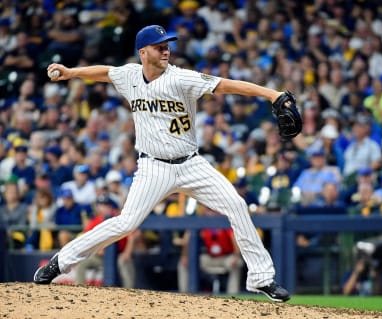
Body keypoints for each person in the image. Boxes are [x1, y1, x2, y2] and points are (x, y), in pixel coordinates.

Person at [33, 24, 290, 302]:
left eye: (167, 44)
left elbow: (227, 85)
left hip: (191, 164)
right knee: (126, 223)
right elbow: (105, 72)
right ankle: (60, 263)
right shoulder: (129, 74)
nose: (166, 49)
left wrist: (272, 95)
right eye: (160, 46)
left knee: (237, 205)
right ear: (143, 53)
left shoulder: (181, 78)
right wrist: (72, 73)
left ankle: (263, 279)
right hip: (154, 166)